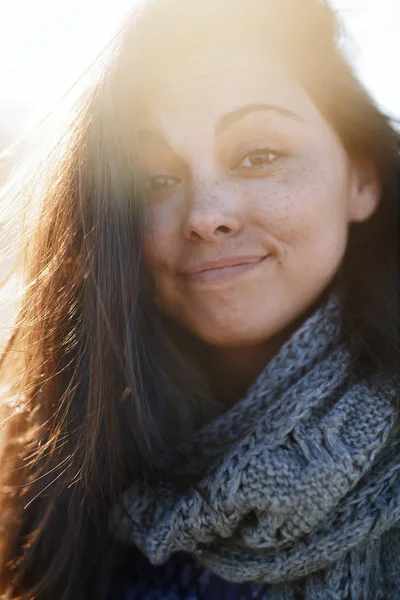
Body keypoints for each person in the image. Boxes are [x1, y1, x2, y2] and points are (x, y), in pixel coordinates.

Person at [0, 0, 399, 598]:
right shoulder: (55, 465)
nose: (206, 215)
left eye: (259, 155)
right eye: (154, 179)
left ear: (362, 179)